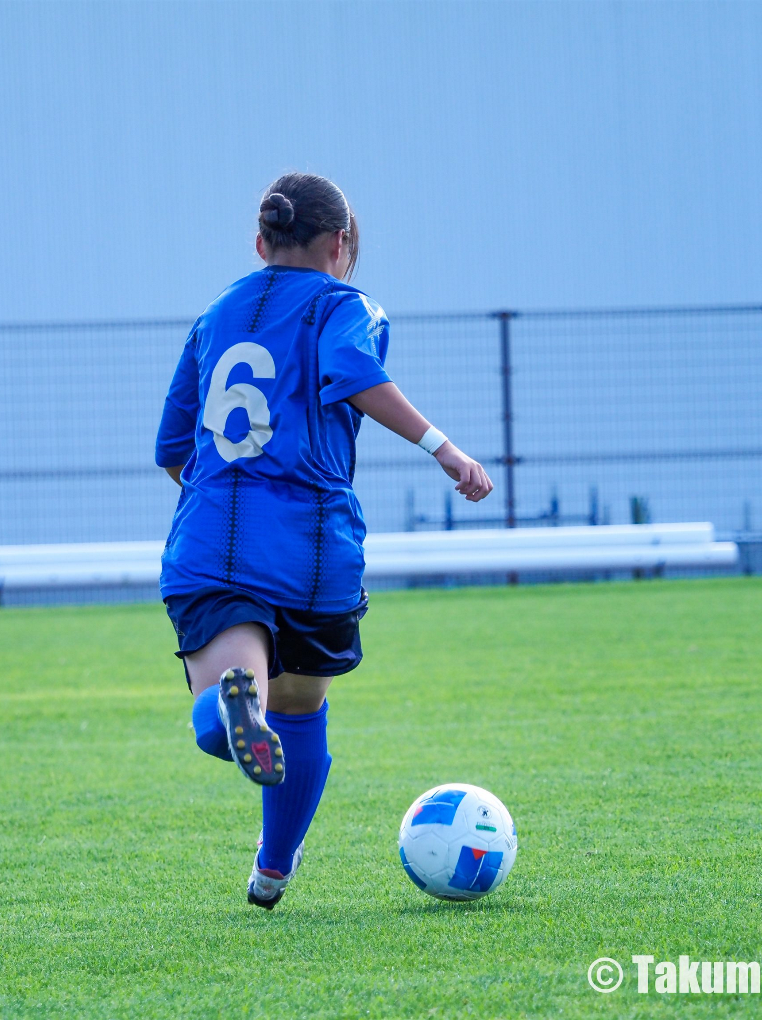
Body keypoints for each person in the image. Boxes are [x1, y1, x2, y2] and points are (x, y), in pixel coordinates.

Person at [155, 172, 493, 909]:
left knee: (228, 697)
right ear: (340, 244)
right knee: (301, 707)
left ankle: (231, 709)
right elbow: (352, 372)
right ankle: (271, 871)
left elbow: (174, 447)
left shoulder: (214, 316)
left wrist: (224, 503)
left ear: (260, 242)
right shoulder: (349, 305)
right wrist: (443, 446)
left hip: (214, 534)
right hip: (311, 545)